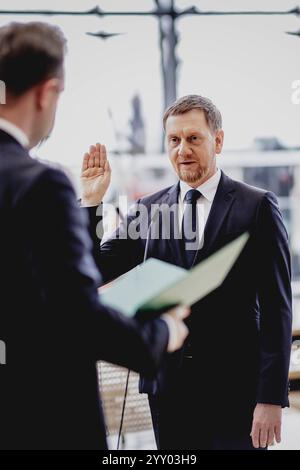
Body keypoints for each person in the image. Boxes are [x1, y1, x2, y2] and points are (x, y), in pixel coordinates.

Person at [0, 22, 190, 450]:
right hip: (39, 414)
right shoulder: (38, 184)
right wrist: (161, 332)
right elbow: (76, 311)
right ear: (47, 93)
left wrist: (89, 206)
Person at [81, 94, 293, 450]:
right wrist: (91, 204)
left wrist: (270, 397)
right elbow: (92, 269)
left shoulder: (256, 206)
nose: (183, 150)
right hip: (168, 389)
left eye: (194, 138)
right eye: (174, 140)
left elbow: (277, 308)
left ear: (218, 141)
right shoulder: (147, 209)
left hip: (236, 391)